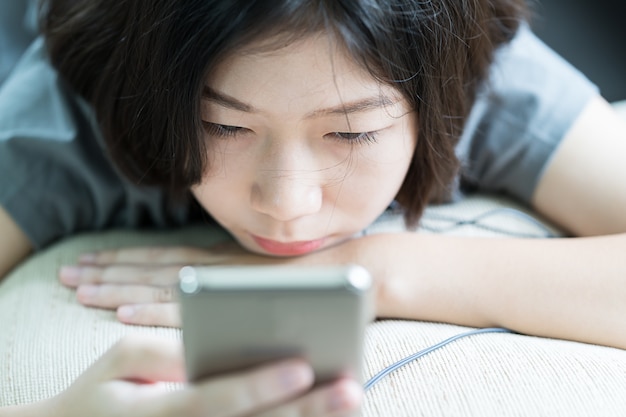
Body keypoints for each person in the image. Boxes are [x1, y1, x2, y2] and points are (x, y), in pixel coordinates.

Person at [1, 0, 625, 415]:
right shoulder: (75, 110)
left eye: (350, 135)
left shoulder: (475, 69)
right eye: (220, 125)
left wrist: (378, 271)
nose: (285, 204)